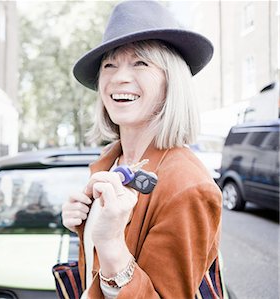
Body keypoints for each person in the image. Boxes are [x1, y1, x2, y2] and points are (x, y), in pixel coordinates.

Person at [61, 1, 223, 298]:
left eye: (140, 63)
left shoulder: (188, 187)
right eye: (109, 64)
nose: (119, 77)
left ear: (170, 82)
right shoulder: (110, 163)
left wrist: (110, 242)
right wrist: (85, 223)